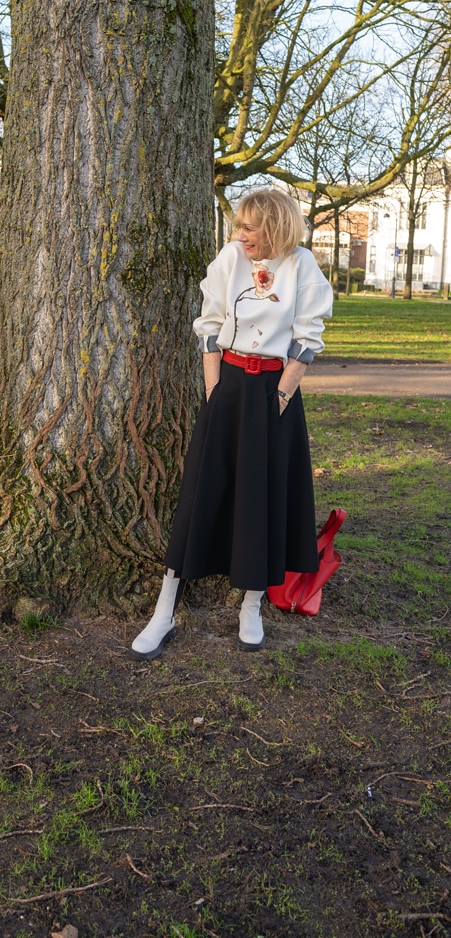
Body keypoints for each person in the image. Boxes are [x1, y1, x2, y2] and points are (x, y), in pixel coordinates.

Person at [130, 189, 334, 659]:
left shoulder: (302, 265)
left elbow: (307, 339)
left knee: (263, 497)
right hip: (228, 386)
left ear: (277, 229)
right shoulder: (230, 257)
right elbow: (210, 322)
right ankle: (164, 611)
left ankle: (252, 605)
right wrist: (214, 389)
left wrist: (281, 397)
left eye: (249, 228)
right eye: (239, 226)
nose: (240, 235)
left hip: (273, 393)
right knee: (203, 493)